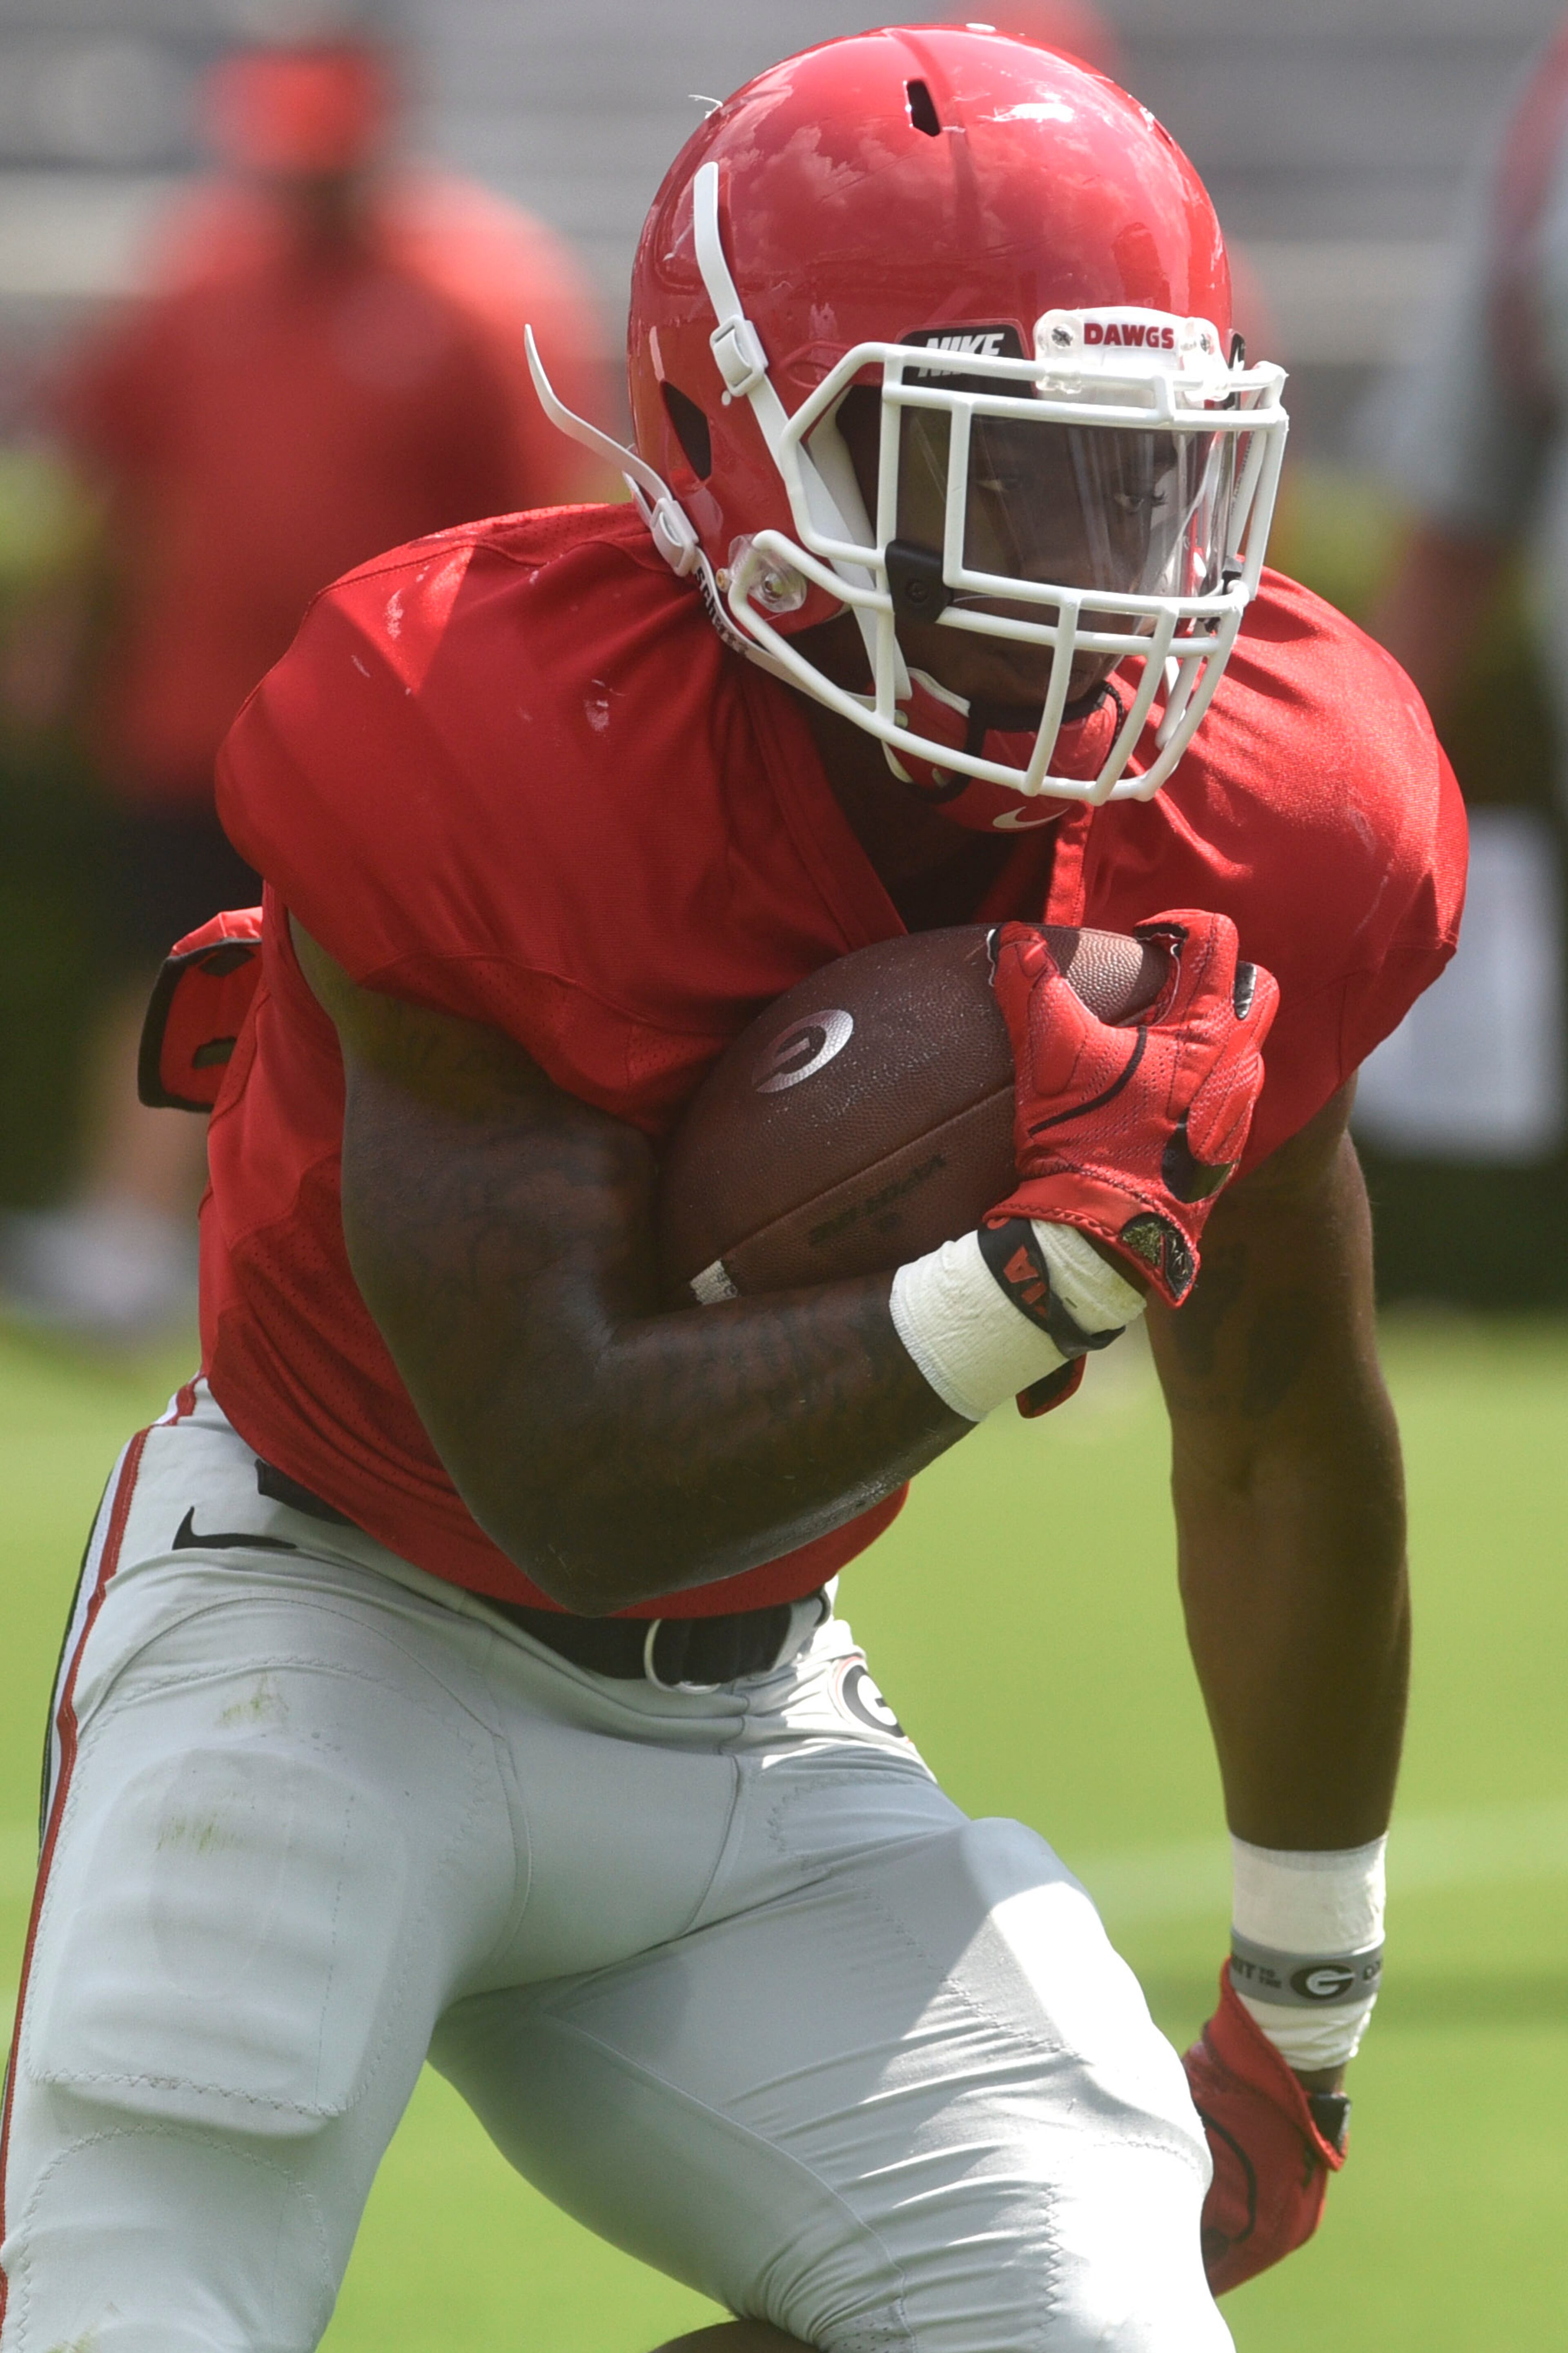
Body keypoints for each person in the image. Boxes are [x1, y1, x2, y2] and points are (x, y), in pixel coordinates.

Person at [0, 28, 1463, 2351]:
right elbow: (570, 1474)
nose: (1089, 570)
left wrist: (1303, 1981)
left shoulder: (1281, 800)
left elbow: (1279, 1407)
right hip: (326, 1631)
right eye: (991, 474)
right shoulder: (473, 727)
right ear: (733, 453)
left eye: (1133, 478)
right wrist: (1034, 1277)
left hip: (756, 1730)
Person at [0, 32, 611, 1342]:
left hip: (387, 732)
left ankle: (342, 1245)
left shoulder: (473, 289)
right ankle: (125, 1234)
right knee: (155, 966)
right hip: (192, 711)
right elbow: (115, 465)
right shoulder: (202, 276)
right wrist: (59, 633)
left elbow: (549, 523)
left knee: (373, 984)